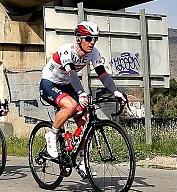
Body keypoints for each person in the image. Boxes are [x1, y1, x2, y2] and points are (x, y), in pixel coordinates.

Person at [39, 21, 128, 174]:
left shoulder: (93, 52)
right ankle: (52, 134)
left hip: (67, 85)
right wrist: (80, 93)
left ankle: (80, 160)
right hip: (49, 83)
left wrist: (115, 92)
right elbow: (72, 73)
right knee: (71, 105)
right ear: (79, 39)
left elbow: (102, 74)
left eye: (95, 39)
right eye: (88, 38)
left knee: (84, 121)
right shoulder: (67, 50)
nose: (92, 42)